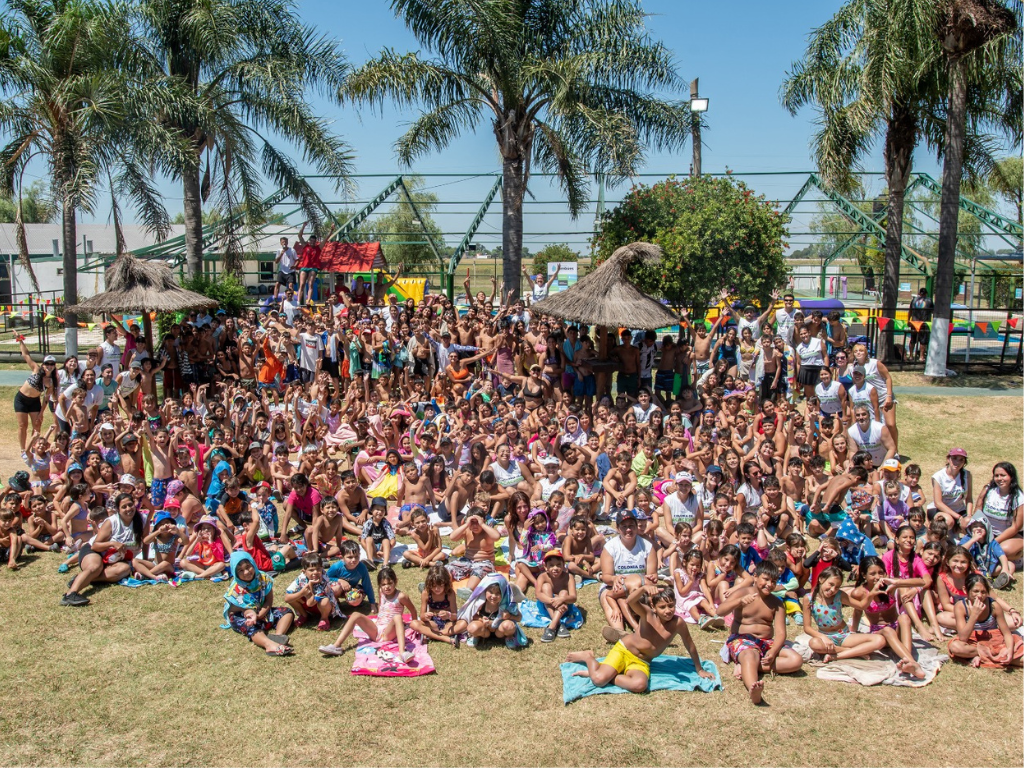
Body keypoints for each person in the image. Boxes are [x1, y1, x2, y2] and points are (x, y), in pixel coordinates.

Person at [566, 583, 714, 693]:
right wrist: (643, 589)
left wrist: (699, 669)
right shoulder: (647, 614)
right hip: (623, 651)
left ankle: (608, 673)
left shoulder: (678, 623)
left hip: (642, 662)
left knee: (640, 686)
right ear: (653, 607)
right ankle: (588, 657)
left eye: (671, 606)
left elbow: (690, 645)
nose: (668, 611)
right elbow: (630, 601)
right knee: (598, 680)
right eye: (662, 607)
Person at [716, 560, 804, 704]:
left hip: (766, 642)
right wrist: (739, 602)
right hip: (742, 639)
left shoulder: (777, 603)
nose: (769, 584)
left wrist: (773, 651)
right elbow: (720, 611)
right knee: (750, 654)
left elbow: (781, 633)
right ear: (755, 577)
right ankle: (753, 688)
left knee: (796, 660)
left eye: (774, 581)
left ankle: (748, 666)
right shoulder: (743, 592)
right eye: (766, 579)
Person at [319, 565, 418, 661]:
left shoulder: (401, 596)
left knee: (397, 617)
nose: (387, 587)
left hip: (389, 633)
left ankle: (402, 652)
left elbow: (413, 610)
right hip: (376, 630)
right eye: (383, 584)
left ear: (395, 582)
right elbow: (381, 606)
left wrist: (414, 626)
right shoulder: (381, 591)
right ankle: (336, 646)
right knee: (355, 615)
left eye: (390, 583)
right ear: (380, 585)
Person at [222, 551, 294, 656]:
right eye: (241, 570)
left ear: (253, 564)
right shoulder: (236, 589)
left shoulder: (263, 578)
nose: (246, 572)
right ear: (235, 573)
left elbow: (269, 600)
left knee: (287, 612)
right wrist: (251, 614)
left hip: (261, 611)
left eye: (248, 567)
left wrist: (261, 614)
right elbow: (236, 609)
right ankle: (268, 645)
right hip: (243, 616)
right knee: (250, 626)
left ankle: (278, 636)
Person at [948, 573, 1023, 668]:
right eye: (975, 591)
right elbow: (963, 638)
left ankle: (982, 657)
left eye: (983, 592)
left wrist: (1009, 650)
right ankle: (994, 657)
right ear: (965, 590)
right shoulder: (961, 606)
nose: (979, 595)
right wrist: (974, 615)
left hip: (995, 642)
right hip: (972, 642)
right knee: (956, 647)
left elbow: (1006, 633)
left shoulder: (994, 606)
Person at [14, 339, 58, 451]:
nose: (49, 366)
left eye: (52, 364)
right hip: (21, 399)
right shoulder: (36, 369)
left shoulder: (51, 381)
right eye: (47, 363)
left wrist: (41, 413)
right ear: (43, 365)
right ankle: (23, 449)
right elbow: (26, 355)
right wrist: (20, 340)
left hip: (34, 402)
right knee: (22, 425)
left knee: (37, 425)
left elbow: (46, 398)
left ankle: (33, 448)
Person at [907, 288, 934, 362]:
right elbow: (933, 312)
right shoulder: (929, 300)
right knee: (923, 341)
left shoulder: (914, 300)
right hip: (924, 323)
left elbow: (910, 311)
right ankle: (921, 357)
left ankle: (911, 356)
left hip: (914, 323)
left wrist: (908, 320)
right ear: (926, 293)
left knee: (912, 340)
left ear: (919, 293)